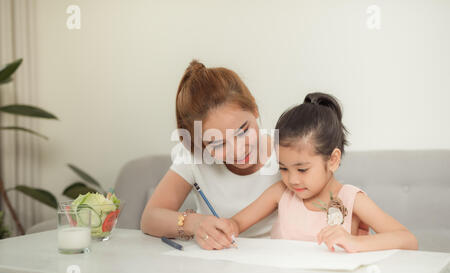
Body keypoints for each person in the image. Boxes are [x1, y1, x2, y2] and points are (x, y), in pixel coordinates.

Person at [228, 92, 418, 252]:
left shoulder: (351, 198)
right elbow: (235, 224)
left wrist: (355, 242)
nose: (292, 180)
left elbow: (408, 240)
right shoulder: (280, 193)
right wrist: (222, 228)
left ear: (333, 160)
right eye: (283, 168)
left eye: (302, 169)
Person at [140, 60, 280, 250]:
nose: (237, 150)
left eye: (242, 131)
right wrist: (195, 223)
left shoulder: (287, 150)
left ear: (254, 108)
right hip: (216, 266)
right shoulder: (194, 156)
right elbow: (150, 218)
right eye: (217, 143)